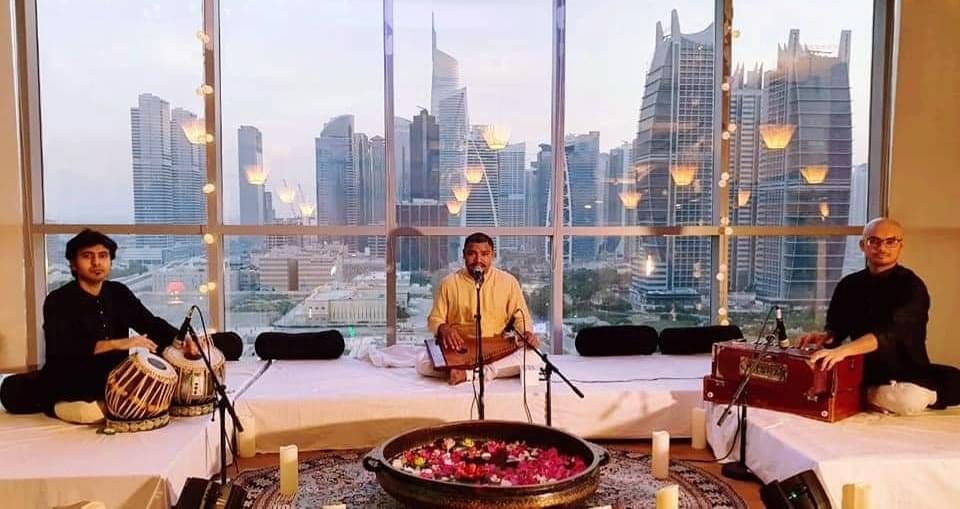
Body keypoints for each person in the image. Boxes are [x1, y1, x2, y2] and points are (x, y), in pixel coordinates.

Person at [799, 218, 960, 414]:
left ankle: (867, 396)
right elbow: (837, 329)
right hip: (862, 370)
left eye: (890, 241)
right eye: (874, 241)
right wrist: (824, 337)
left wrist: (844, 351)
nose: (882, 248)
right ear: (862, 245)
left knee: (925, 392)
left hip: (906, 371)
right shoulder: (849, 284)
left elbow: (889, 333)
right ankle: (868, 394)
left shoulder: (912, 286)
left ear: (901, 245)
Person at [39, 229, 195, 423]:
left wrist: (182, 339)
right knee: (90, 413)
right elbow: (64, 347)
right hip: (72, 383)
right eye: (87, 256)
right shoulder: (58, 300)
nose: (96, 262)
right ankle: (56, 405)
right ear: (73, 264)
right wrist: (119, 343)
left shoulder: (118, 293)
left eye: (103, 256)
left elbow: (150, 323)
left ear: (110, 261)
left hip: (114, 381)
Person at [418, 232, 539, 385]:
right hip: (459, 349)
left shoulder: (508, 282)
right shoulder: (449, 283)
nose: (478, 260)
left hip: (495, 348)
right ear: (464, 255)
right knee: (422, 362)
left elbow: (521, 317)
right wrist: (443, 328)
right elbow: (434, 319)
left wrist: (527, 333)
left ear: (493, 255)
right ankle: (478, 370)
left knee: (533, 357)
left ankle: (469, 373)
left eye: (484, 254)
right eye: (472, 254)